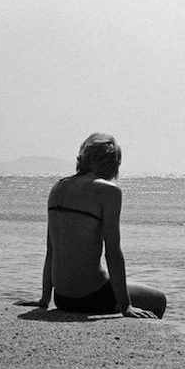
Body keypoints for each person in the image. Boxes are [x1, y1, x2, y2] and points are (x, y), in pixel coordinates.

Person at [23, 133, 166, 318]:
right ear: (113, 163)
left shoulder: (58, 187)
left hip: (62, 297)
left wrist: (44, 299)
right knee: (158, 299)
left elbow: (51, 249)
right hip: (92, 297)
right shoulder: (108, 191)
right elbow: (113, 252)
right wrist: (126, 307)